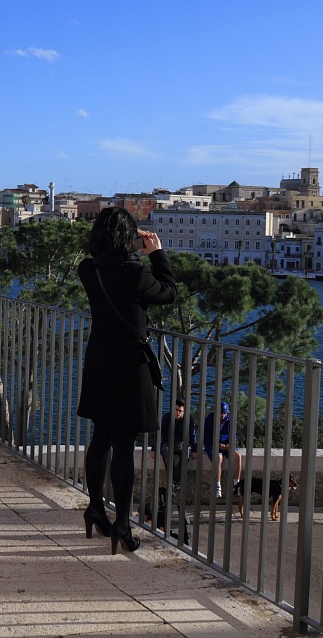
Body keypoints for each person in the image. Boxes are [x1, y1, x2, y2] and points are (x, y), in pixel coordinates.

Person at [77, 207, 177, 554]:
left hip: (99, 360)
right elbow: (168, 293)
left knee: (101, 437)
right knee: (123, 443)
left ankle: (95, 507)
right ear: (127, 237)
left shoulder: (88, 269)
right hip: (129, 365)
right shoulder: (135, 273)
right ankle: (121, 523)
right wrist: (157, 253)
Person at [203, 401, 243, 498]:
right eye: (221, 412)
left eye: (224, 413)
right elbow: (206, 438)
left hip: (226, 444)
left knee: (237, 456)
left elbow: (234, 436)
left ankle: (236, 484)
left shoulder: (229, 420)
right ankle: (218, 487)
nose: (222, 415)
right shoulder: (210, 419)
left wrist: (229, 445)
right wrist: (217, 445)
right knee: (218, 458)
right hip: (213, 444)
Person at [159, 398, 196, 488]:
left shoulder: (188, 419)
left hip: (180, 444)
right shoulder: (166, 417)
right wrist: (153, 448)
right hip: (167, 443)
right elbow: (159, 433)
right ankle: (174, 481)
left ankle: (173, 481)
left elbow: (192, 434)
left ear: (184, 411)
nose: (177, 413)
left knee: (185, 454)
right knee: (166, 452)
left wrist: (194, 449)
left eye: (180, 411)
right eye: (176, 410)